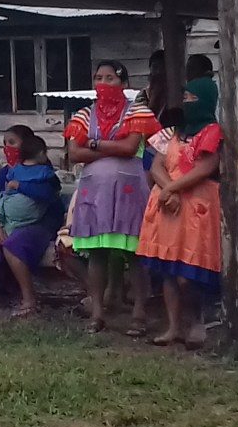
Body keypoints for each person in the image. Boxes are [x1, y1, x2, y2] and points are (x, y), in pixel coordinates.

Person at [64, 60, 162, 334]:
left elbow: (130, 147)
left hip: (129, 194)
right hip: (94, 195)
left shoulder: (138, 112)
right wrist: (112, 147)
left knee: (135, 254)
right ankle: (97, 313)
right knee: (96, 254)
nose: (103, 83)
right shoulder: (83, 114)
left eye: (110, 78)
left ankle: (139, 315)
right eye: (99, 78)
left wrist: (93, 144)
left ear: (124, 84)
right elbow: (75, 153)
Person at [138, 78, 223, 348]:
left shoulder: (212, 132)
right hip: (168, 208)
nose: (186, 103)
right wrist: (168, 191)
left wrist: (171, 188)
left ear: (206, 101)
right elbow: (156, 166)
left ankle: (196, 324)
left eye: (192, 98)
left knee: (190, 274)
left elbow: (205, 168)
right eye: (184, 97)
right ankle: (173, 327)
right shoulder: (173, 132)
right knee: (168, 272)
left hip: (195, 208)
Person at [0, 126, 65, 319]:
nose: (7, 148)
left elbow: (50, 199)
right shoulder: (5, 173)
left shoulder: (43, 173)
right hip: (5, 222)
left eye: (12, 143)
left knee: (11, 246)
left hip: (37, 224)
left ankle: (29, 300)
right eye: (4, 144)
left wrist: (22, 187)